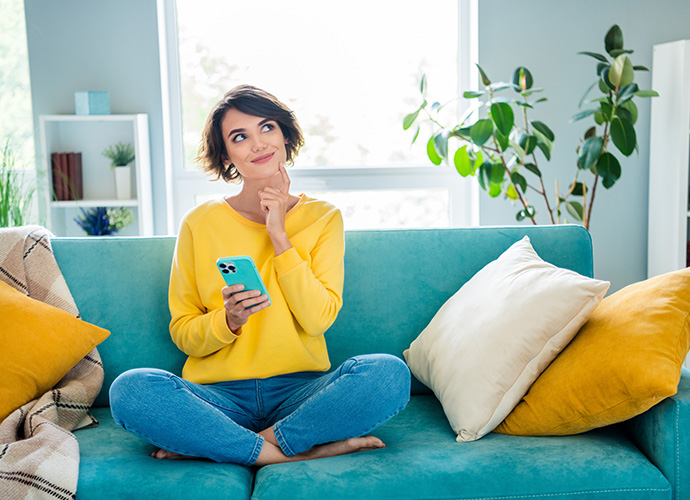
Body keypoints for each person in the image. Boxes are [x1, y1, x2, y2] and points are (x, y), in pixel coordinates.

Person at [109, 85, 411, 466]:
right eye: (240, 137)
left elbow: (318, 319)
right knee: (131, 389)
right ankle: (292, 453)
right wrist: (228, 322)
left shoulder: (323, 218)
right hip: (218, 398)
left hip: (300, 394)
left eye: (267, 127)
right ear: (227, 155)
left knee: (388, 374)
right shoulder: (200, 224)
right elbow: (184, 334)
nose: (258, 144)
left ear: (285, 135)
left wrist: (279, 235)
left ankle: (241, 446)